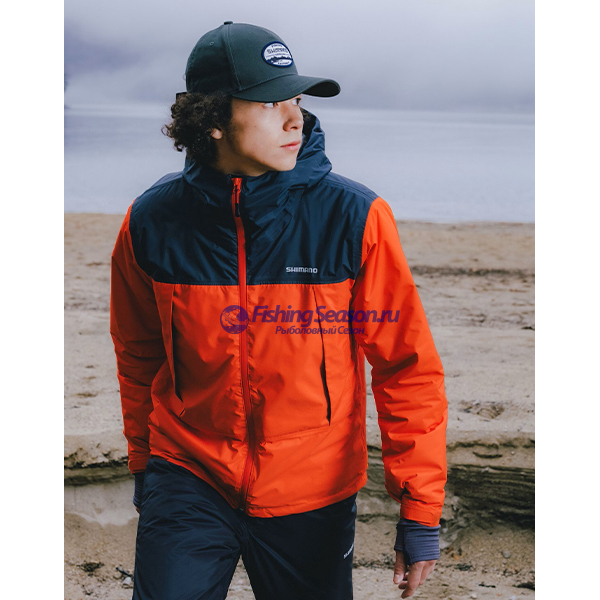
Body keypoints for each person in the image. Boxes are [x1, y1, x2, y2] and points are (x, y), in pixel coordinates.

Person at [110, 21, 447, 600]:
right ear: (213, 119)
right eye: (270, 103)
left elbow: (406, 366)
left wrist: (419, 507)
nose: (297, 119)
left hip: (312, 488)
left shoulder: (354, 216)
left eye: (296, 99)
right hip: (188, 474)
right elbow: (139, 356)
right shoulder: (151, 221)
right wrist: (145, 463)